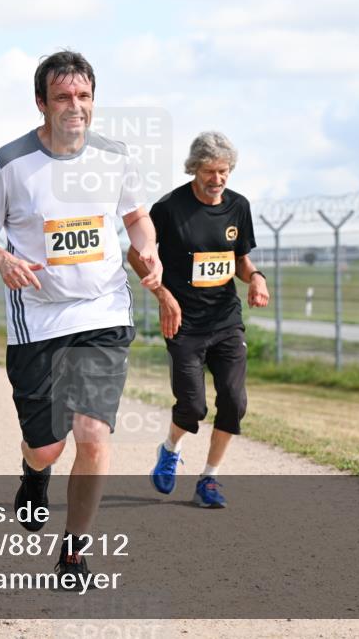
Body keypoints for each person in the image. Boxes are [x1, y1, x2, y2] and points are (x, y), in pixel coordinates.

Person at [0, 50, 162, 583]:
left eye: (83, 96)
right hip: (40, 318)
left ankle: (73, 551)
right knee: (47, 445)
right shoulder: (10, 163)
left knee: (94, 435)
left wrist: (150, 251)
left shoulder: (115, 156)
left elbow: (137, 218)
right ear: (41, 104)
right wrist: (4, 259)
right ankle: (34, 477)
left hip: (103, 309)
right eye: (62, 97)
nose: (75, 107)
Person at [128, 131, 270, 509]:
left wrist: (256, 278)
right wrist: (163, 295)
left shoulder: (238, 207)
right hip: (183, 322)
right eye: (210, 171)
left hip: (225, 320)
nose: (218, 179)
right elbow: (137, 254)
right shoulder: (170, 208)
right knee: (192, 406)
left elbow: (239, 260)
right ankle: (170, 449)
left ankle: (209, 478)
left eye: (224, 171)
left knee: (234, 401)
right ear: (195, 169)